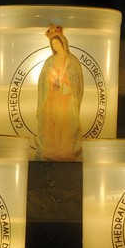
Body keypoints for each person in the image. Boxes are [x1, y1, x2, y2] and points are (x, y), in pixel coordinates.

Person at [36, 25, 85, 163]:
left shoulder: (72, 61)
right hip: (51, 98)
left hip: (66, 98)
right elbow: (42, 82)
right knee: (51, 125)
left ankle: (65, 153)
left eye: (57, 43)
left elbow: (77, 82)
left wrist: (64, 81)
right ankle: (50, 152)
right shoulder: (49, 61)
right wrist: (50, 79)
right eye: (53, 44)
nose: (56, 46)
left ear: (63, 42)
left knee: (64, 126)